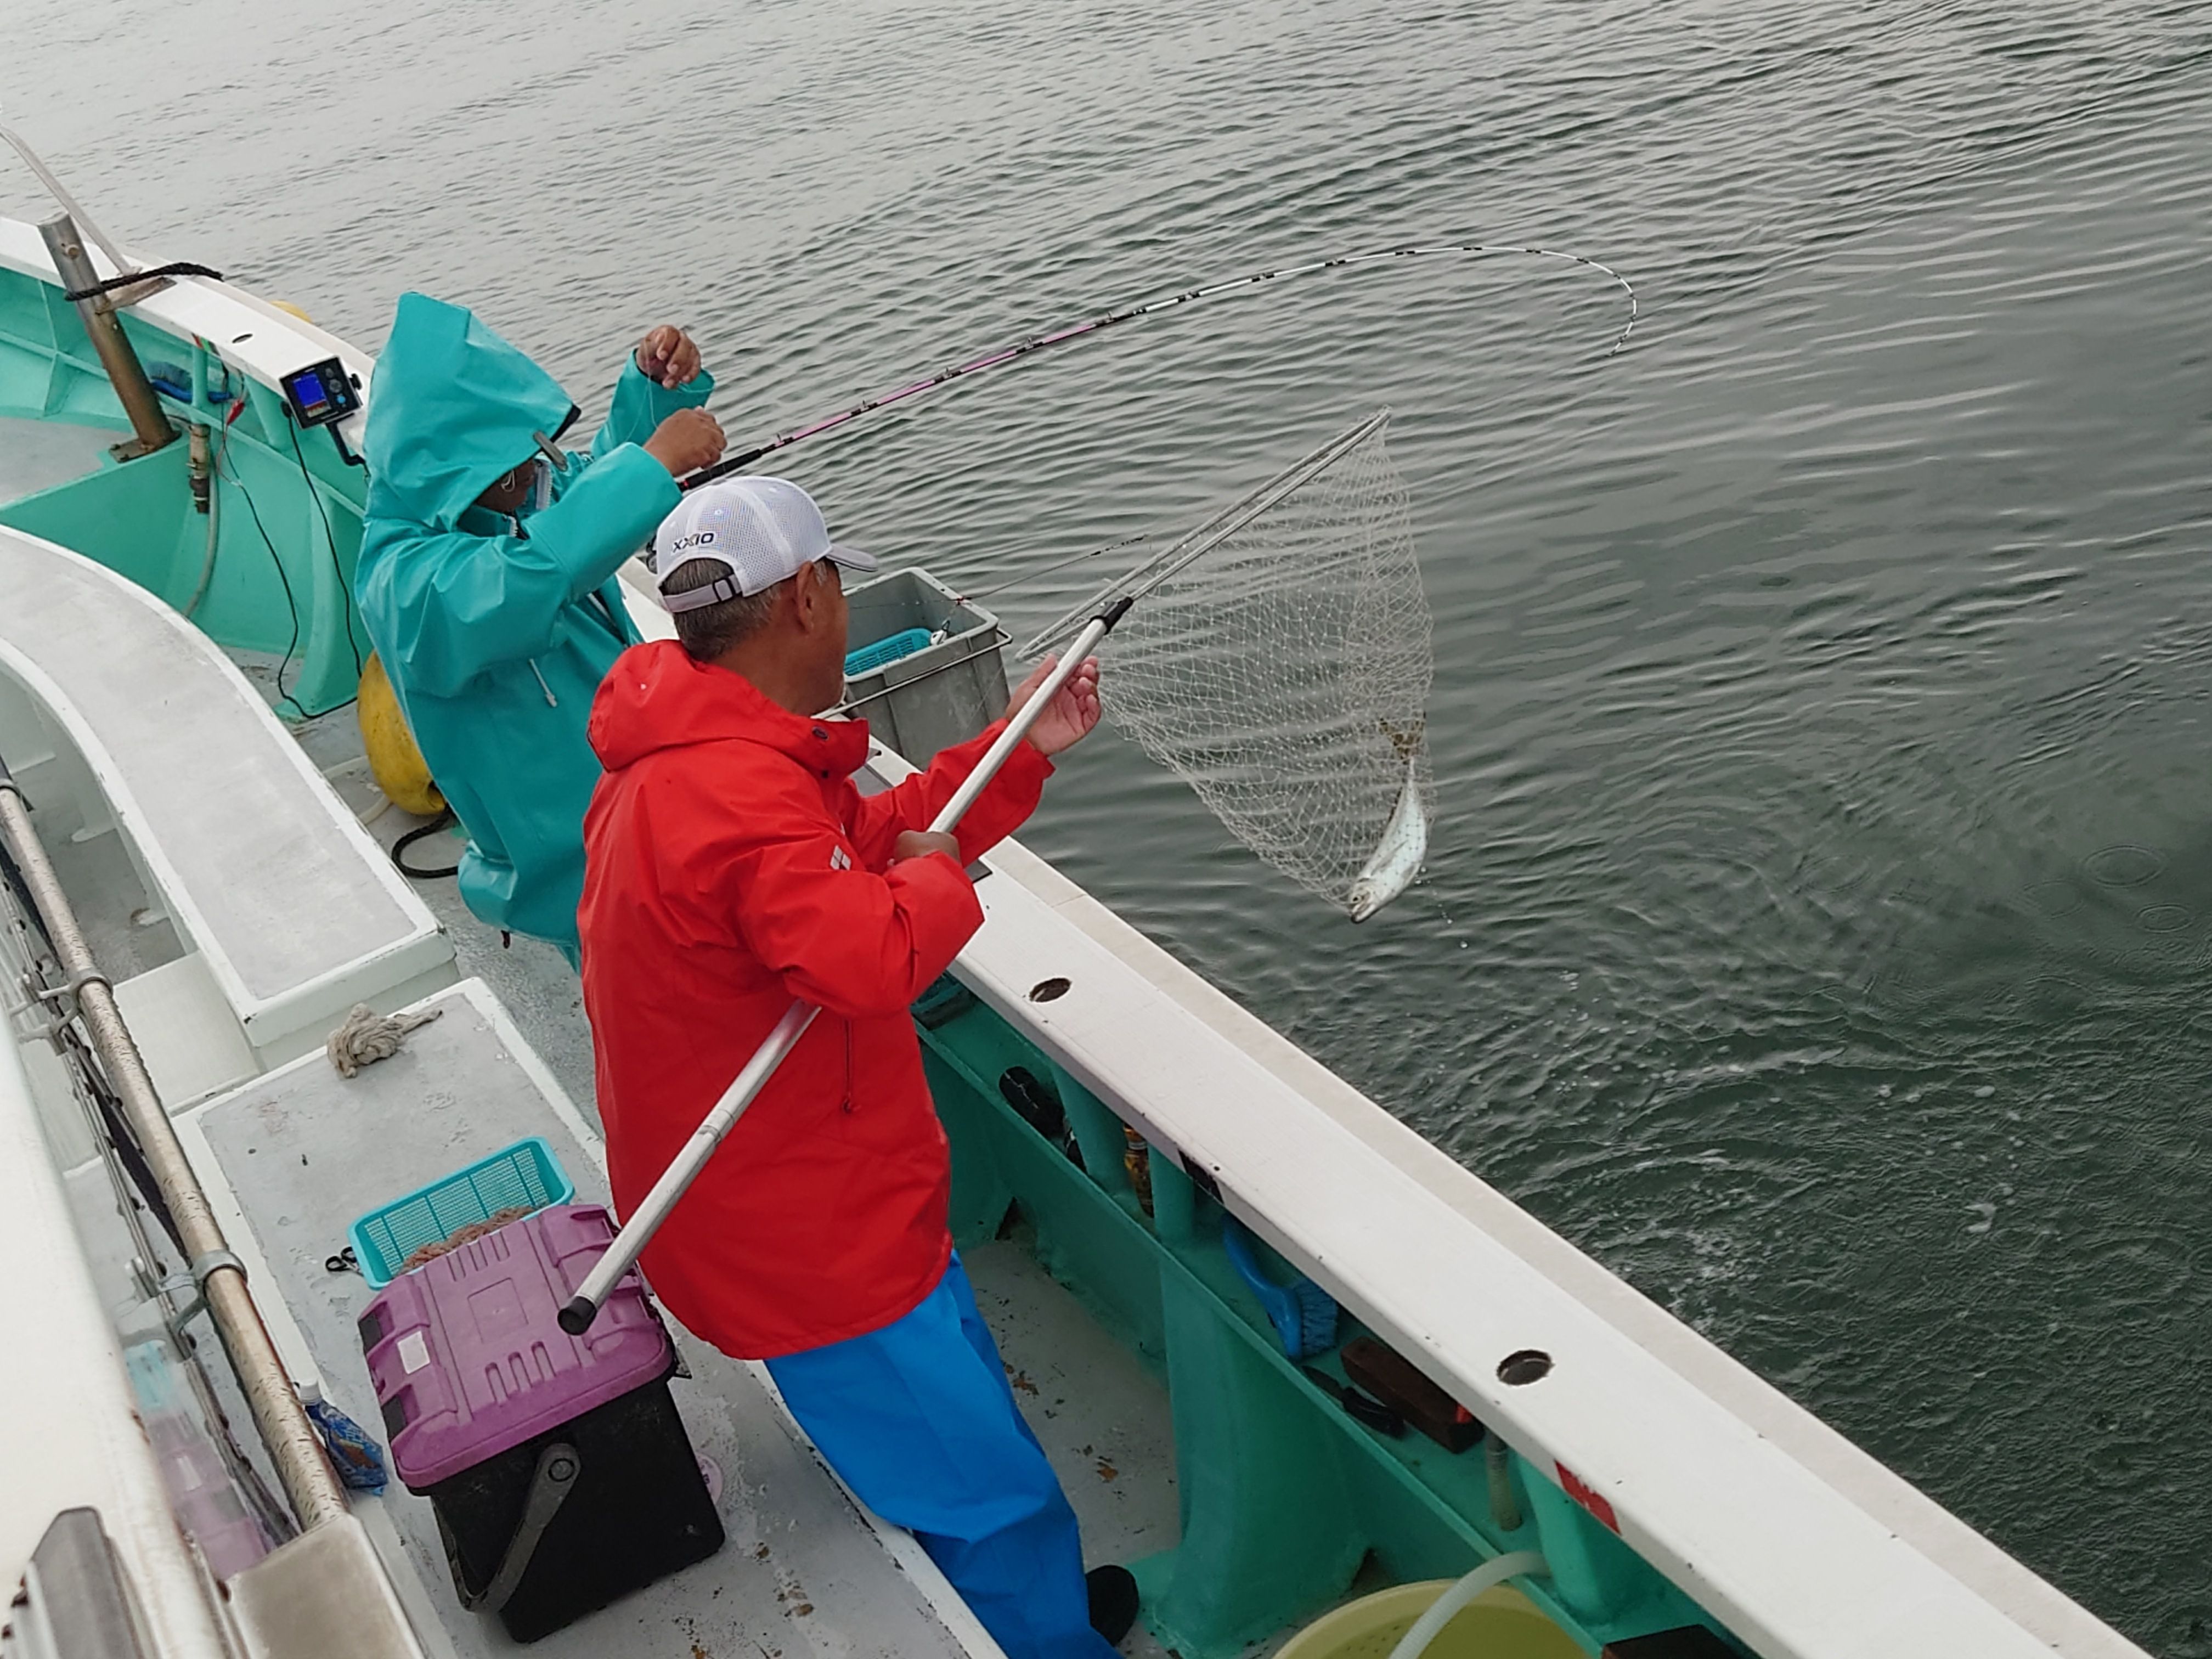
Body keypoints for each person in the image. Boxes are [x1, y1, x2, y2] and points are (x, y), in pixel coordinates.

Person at [576, 476, 1132, 1659]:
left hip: (813, 1197)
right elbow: (873, 950)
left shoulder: (688, 753)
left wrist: (1012, 750)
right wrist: (932, 874)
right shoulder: (733, 792)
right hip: (811, 1242)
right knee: (979, 1488)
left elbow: (854, 853)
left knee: (966, 1427)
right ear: (808, 596)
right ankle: (1046, 1642)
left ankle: (1041, 1609)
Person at [354, 292, 727, 964]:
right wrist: (654, 467)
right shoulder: (402, 582)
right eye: (512, 454)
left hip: (649, 808)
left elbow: (586, 492)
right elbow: (532, 574)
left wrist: (652, 396)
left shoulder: (512, 498)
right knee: (655, 989)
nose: (534, 463)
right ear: (455, 469)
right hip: (579, 868)